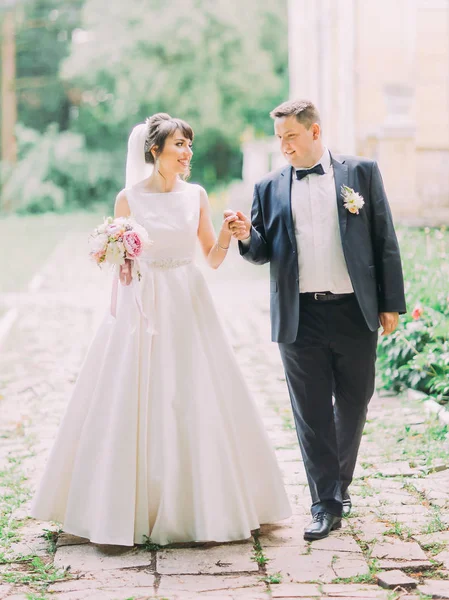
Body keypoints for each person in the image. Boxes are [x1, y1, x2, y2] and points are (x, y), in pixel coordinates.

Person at [30, 113, 291, 546]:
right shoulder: (128, 199)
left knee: (195, 395)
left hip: (188, 302)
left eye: (189, 145)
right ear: (155, 151)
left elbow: (210, 257)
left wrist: (230, 233)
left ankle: (205, 506)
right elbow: (120, 266)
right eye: (179, 146)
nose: (187, 153)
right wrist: (119, 256)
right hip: (144, 306)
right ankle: (121, 506)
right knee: (133, 396)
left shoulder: (197, 196)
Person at [229, 100, 406, 541]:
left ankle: (337, 484)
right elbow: (261, 250)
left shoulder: (360, 173)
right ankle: (325, 502)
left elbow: (384, 239)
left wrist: (391, 304)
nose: (284, 145)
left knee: (354, 401)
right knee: (311, 413)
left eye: (290, 135)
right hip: (299, 315)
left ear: (314, 132)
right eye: (279, 138)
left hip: (354, 309)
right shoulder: (268, 186)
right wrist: (247, 237)